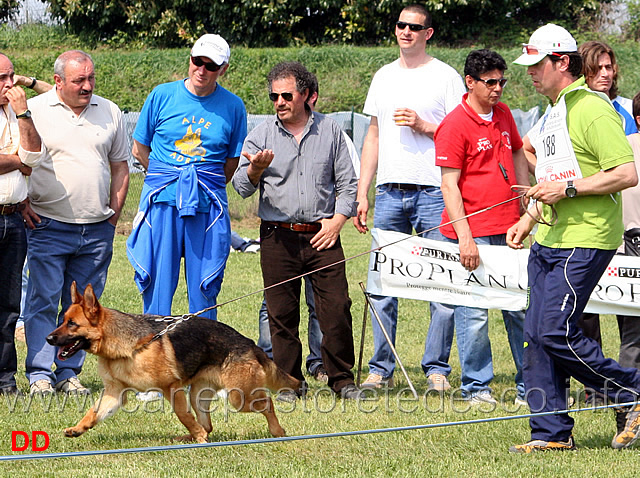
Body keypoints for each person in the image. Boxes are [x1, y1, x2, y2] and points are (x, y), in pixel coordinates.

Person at [506, 23, 640, 452]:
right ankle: (550, 434)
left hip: (587, 237)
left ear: (561, 62)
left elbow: (625, 172)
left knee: (555, 330)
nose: (530, 72)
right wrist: (529, 218)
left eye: (537, 64)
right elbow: (552, 177)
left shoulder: (592, 108)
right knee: (536, 334)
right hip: (550, 237)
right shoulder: (552, 114)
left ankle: (631, 392)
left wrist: (565, 191)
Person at [232, 61, 361, 400]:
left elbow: (349, 185)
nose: (279, 102)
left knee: (336, 308)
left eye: (286, 95)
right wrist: (255, 171)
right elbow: (241, 188)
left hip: (323, 233)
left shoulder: (331, 131)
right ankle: (290, 381)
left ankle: (342, 380)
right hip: (278, 236)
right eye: (274, 96)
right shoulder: (261, 134)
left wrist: (337, 221)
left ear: (306, 95)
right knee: (281, 312)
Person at [353, 3, 465, 390]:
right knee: (383, 280)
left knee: (442, 282)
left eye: (415, 27)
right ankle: (379, 370)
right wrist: (362, 189)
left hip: (435, 189)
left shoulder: (446, 77)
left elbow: (458, 135)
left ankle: (436, 369)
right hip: (388, 189)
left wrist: (424, 125)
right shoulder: (383, 76)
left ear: (428, 33)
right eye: (401, 25)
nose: (406, 32)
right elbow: (373, 135)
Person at [23, 50, 130, 395]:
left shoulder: (109, 111)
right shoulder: (35, 111)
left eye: (91, 78)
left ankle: (68, 373)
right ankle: (39, 373)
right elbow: (22, 159)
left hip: (97, 229)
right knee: (42, 299)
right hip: (48, 224)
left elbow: (120, 167)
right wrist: (22, 201)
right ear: (57, 81)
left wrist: (113, 213)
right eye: (78, 80)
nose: (87, 86)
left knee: (86, 308)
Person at [127, 34, 247, 320]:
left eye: (211, 65)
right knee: (156, 285)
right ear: (190, 59)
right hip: (163, 204)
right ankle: (154, 355)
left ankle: (203, 358)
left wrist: (200, 184)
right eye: (197, 61)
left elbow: (231, 163)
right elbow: (139, 148)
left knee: (205, 289)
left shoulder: (233, 106)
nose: (202, 70)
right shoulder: (162, 95)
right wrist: (167, 178)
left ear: (223, 69)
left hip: (206, 208)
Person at [434, 49, 528, 405]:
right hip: (471, 233)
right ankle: (477, 388)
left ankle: (528, 387)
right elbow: (449, 185)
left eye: (502, 81)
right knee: (473, 314)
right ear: (470, 83)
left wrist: (523, 200)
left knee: (519, 310)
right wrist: (465, 238)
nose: (498, 88)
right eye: (491, 82)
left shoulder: (504, 115)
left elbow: (518, 151)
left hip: (509, 231)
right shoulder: (454, 125)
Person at [575, 41, 638, 385]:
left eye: (609, 67)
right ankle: (594, 382)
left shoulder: (627, 109)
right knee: (586, 311)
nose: (605, 74)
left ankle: (628, 381)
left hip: (629, 224)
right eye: (597, 68)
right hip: (589, 223)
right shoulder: (570, 108)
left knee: (628, 311)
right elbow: (529, 148)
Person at [0, 54, 45, 396]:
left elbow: (34, 157)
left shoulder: (15, 112)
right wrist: (18, 160)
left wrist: (23, 110)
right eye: (3, 78)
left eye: (12, 76)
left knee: (8, 305)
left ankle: (4, 381)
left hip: (13, 218)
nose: (9, 84)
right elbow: (24, 162)